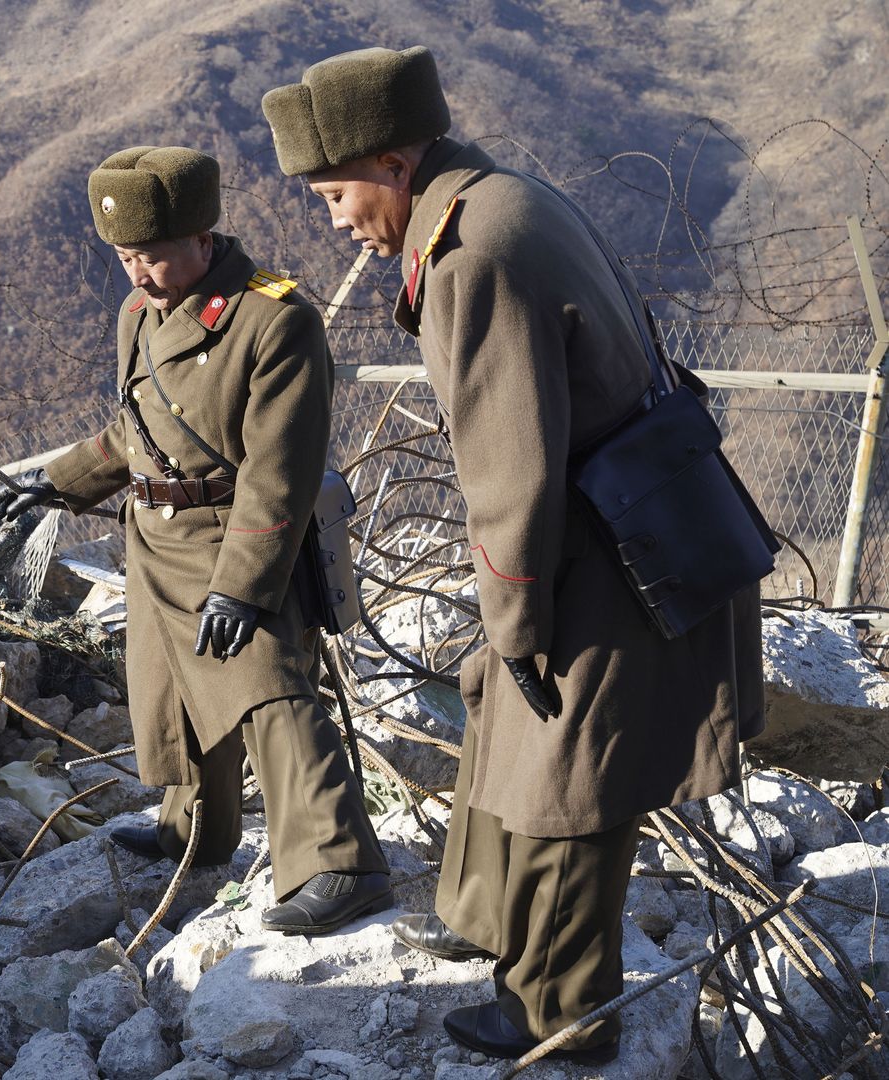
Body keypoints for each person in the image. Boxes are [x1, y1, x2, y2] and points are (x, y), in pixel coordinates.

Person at [261, 47, 764, 1062]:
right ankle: (487, 919)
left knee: (574, 783)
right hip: (636, 513)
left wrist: (517, 621)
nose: (335, 218)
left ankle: (558, 1013)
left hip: (604, 550)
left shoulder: (468, 256)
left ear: (395, 162)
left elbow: (509, 465)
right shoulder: (500, 195)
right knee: (515, 727)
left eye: (336, 192)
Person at [0, 145, 389, 934]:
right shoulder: (139, 315)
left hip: (237, 533)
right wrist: (59, 482)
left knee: (266, 687)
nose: (138, 274)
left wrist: (244, 583)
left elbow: (281, 470)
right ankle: (196, 831)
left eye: (153, 257)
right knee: (171, 685)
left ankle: (341, 863)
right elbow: (136, 431)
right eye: (126, 258)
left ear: (204, 240)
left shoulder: (273, 319)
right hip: (155, 537)